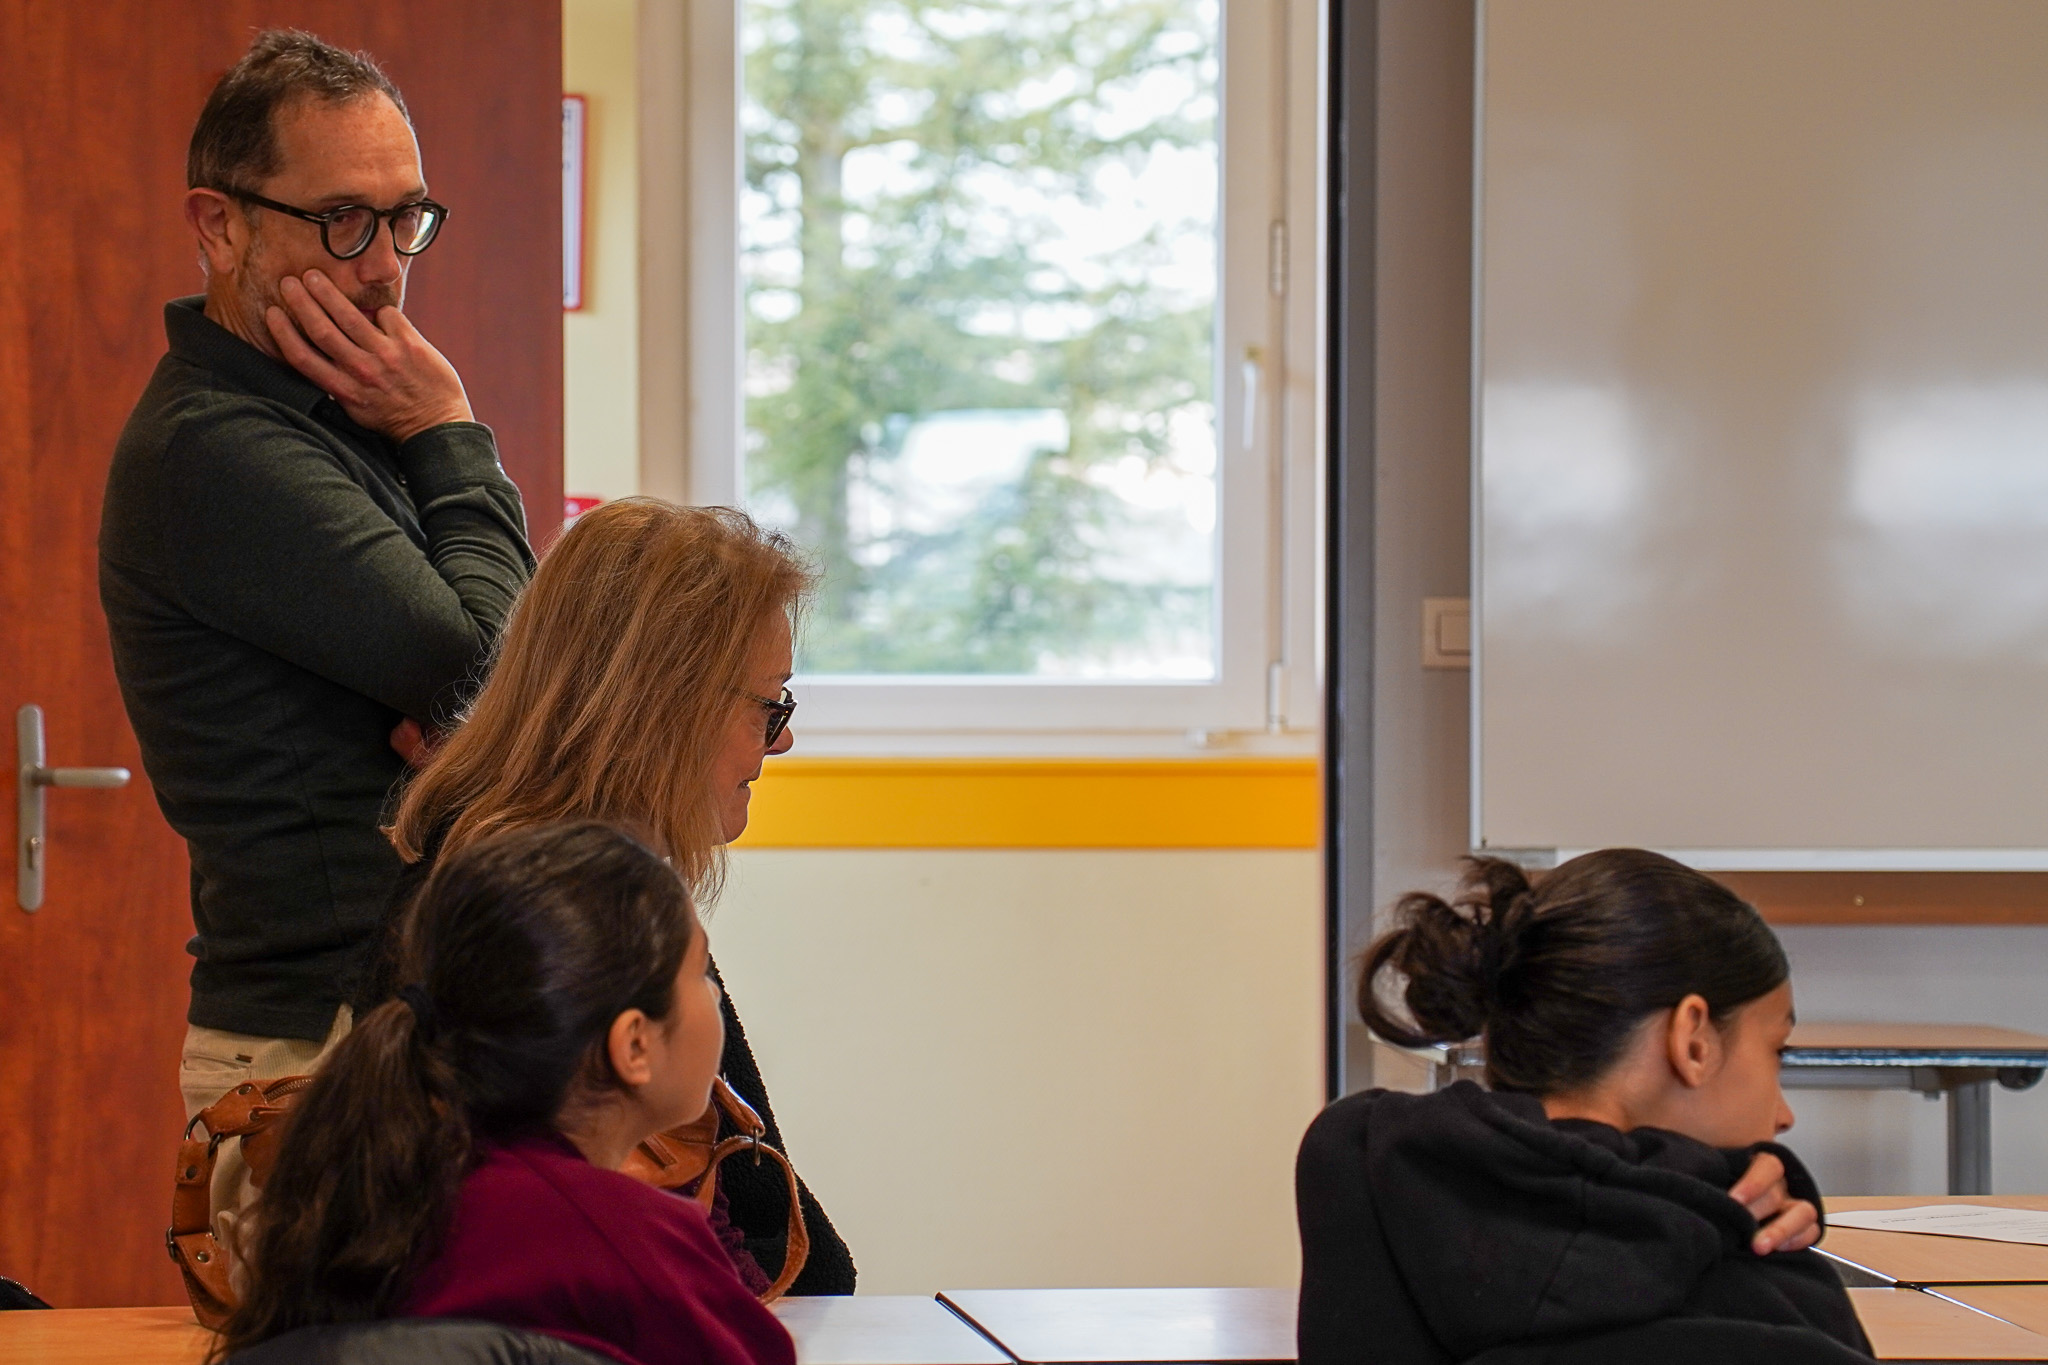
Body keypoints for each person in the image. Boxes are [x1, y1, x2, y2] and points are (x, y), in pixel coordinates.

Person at [97, 26, 533, 1233]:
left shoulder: (338, 412)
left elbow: (518, 677)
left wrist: (489, 719)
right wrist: (447, 427)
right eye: (342, 219)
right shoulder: (218, 447)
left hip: (402, 1012)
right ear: (221, 225)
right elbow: (488, 671)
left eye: (406, 218)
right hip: (315, 1045)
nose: (385, 267)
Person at [383, 497, 856, 1294]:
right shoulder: (559, 910)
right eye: (769, 704)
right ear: (669, 703)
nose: (781, 739)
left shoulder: (530, 871)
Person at [217, 820, 795, 1365]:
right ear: (635, 1045)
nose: (713, 996)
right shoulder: (631, 1237)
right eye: (698, 973)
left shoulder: (370, 1185)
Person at [1296, 850, 1874, 1365]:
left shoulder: (1364, 1170)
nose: (1783, 1116)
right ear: (1693, 1041)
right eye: (1777, 1051)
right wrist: (1729, 1205)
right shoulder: (1778, 1305)